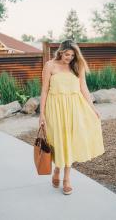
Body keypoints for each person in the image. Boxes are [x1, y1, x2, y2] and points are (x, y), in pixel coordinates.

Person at [39, 39, 105, 195]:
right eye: (67, 54)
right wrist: (41, 113)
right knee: (58, 140)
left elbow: (84, 88)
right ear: (60, 52)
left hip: (75, 108)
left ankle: (67, 178)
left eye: (72, 55)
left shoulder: (77, 66)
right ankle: (56, 170)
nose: (69, 58)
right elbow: (44, 90)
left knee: (71, 140)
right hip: (54, 108)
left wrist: (93, 108)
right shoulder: (50, 65)